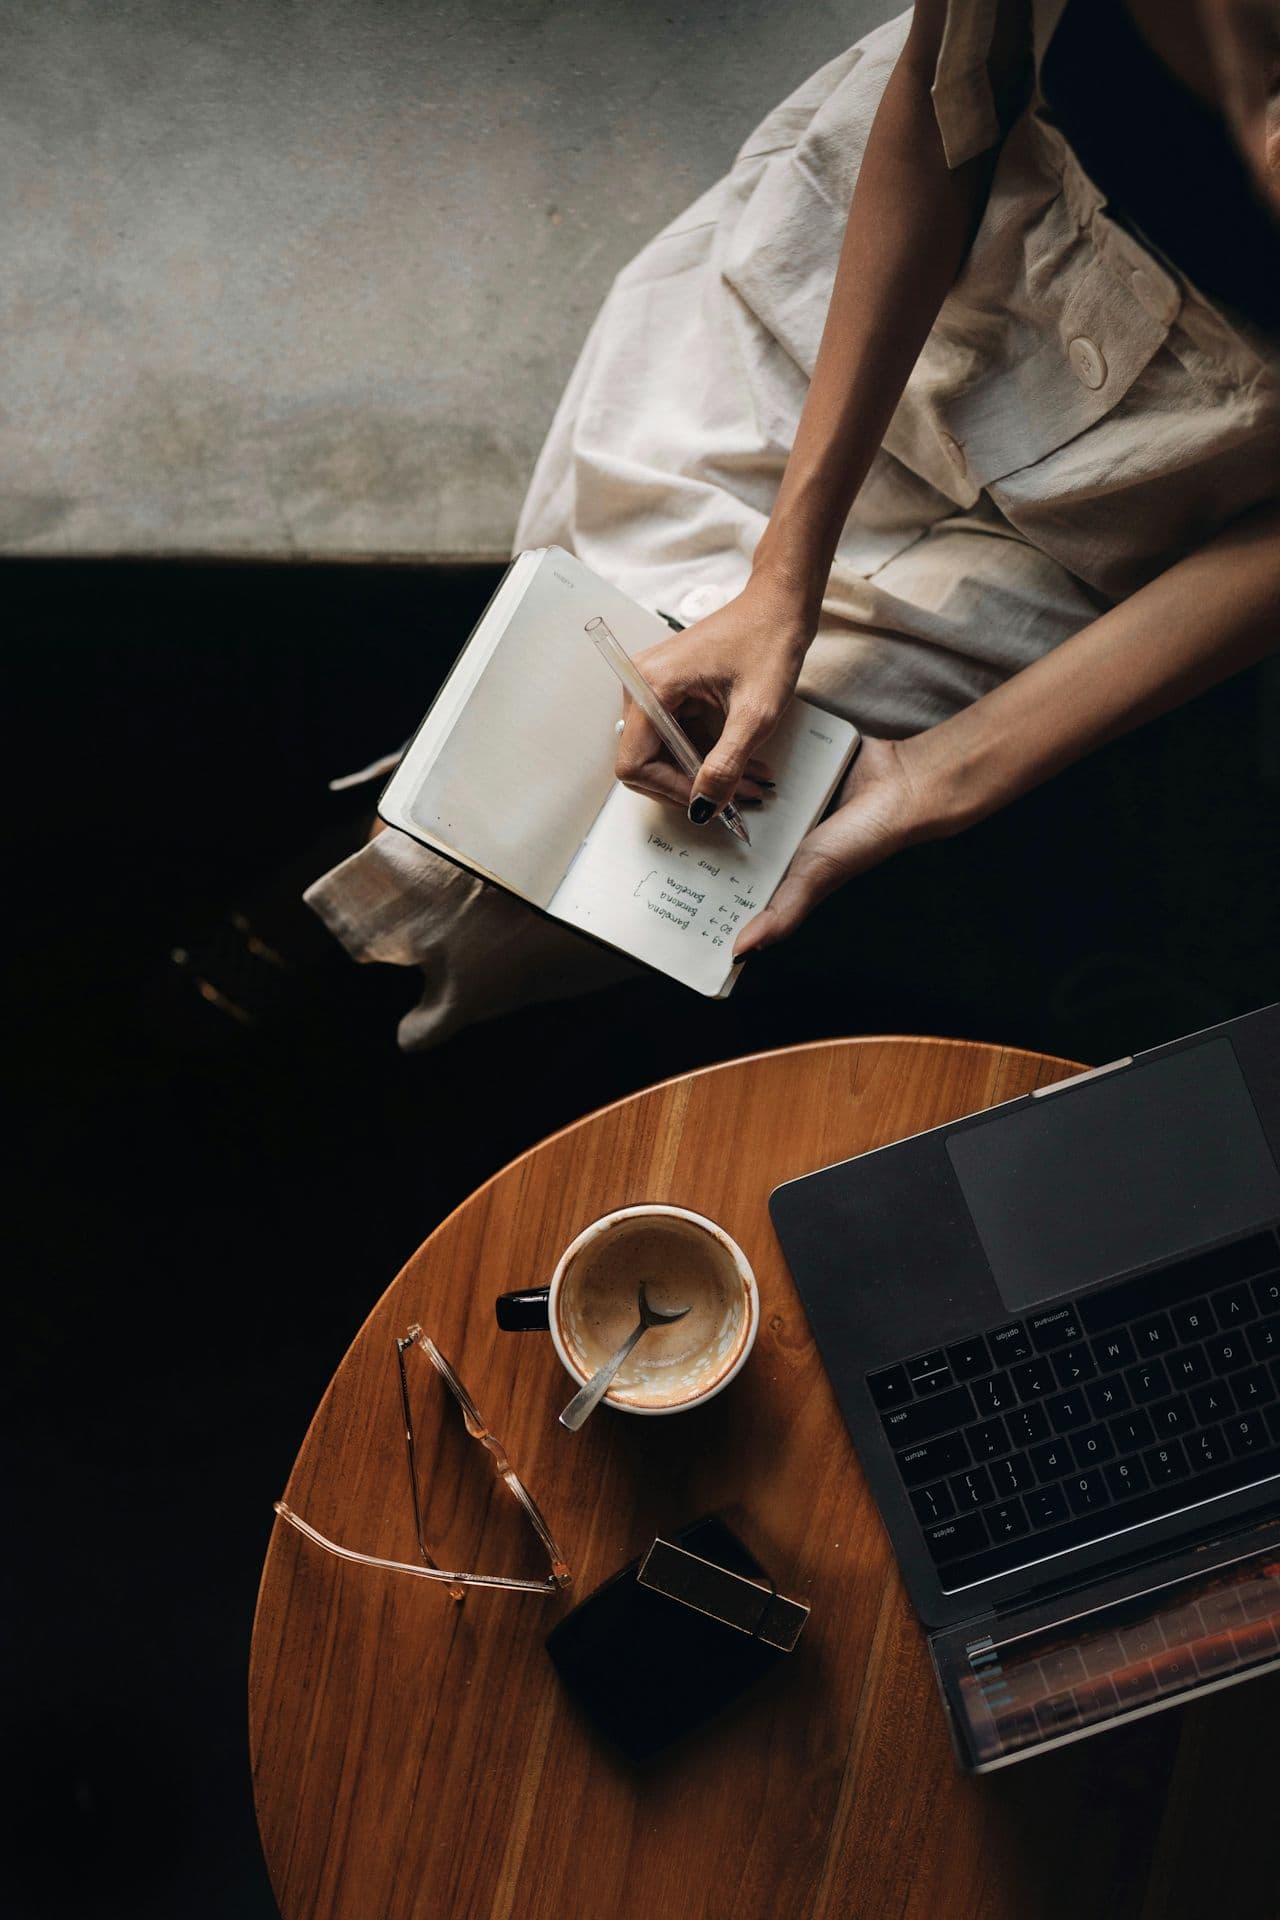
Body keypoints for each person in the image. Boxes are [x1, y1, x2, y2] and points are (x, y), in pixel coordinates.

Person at [305, 0, 1279, 1049]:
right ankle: (311, 934)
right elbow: (941, 98)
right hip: (841, 328)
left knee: (608, 875)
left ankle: (359, 996)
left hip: (1127, 510)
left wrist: (938, 776)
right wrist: (781, 578)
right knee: (469, 812)